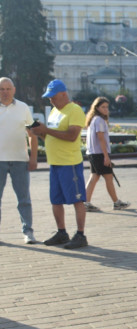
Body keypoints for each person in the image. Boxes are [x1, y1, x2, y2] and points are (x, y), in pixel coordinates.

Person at [31, 79, 89, 250]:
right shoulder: (54, 111)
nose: (51, 100)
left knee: (77, 200)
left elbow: (72, 136)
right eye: (49, 97)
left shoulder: (75, 110)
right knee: (55, 200)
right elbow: (50, 137)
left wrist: (46, 130)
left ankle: (80, 235)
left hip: (69, 163)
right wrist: (39, 133)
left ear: (64, 94)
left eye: (53, 97)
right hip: (55, 162)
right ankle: (61, 232)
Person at [0, 77, 39, 244]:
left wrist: (33, 157)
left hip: (20, 160)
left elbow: (33, 134)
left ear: (14, 90)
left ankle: (28, 232)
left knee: (24, 199)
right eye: (2, 89)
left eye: (8, 89)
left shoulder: (23, 107)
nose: (5, 92)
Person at [83, 97, 131, 212]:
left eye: (107, 107)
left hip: (93, 153)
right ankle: (116, 202)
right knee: (108, 178)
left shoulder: (93, 119)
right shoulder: (99, 120)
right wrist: (106, 156)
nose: (106, 109)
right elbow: (101, 139)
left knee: (94, 177)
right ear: (96, 108)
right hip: (99, 154)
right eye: (103, 107)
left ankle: (85, 202)